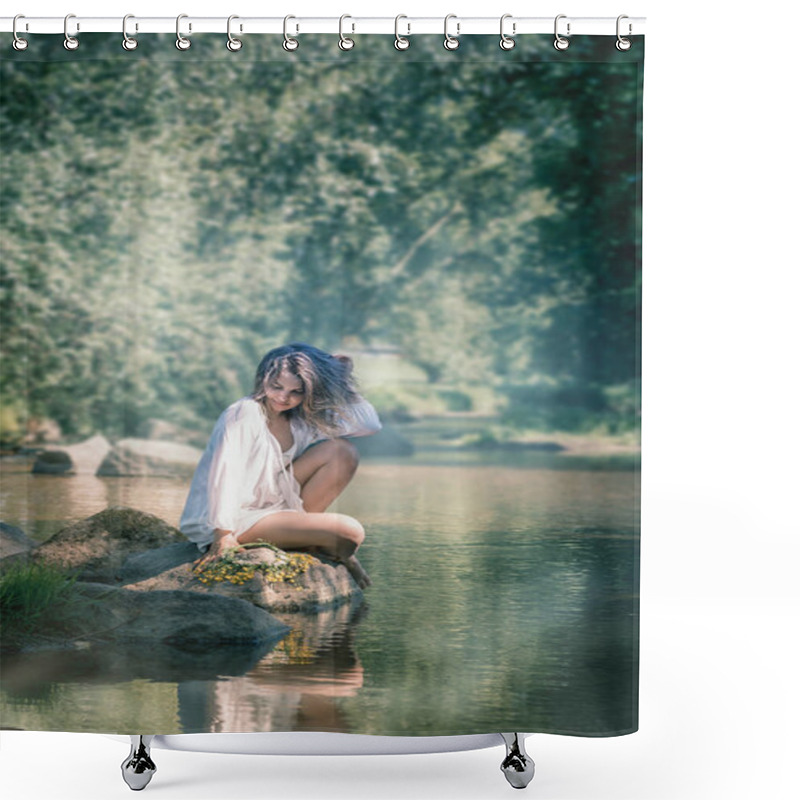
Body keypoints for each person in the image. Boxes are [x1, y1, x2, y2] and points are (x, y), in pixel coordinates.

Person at [179, 343, 381, 588]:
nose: (284, 397)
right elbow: (226, 472)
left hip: (275, 506)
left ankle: (308, 534)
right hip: (236, 519)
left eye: (296, 392)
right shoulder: (244, 413)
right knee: (350, 532)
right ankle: (323, 543)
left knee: (342, 451)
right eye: (276, 387)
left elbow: (369, 425)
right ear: (263, 379)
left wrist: (342, 381)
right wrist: (222, 535)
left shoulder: (302, 420)